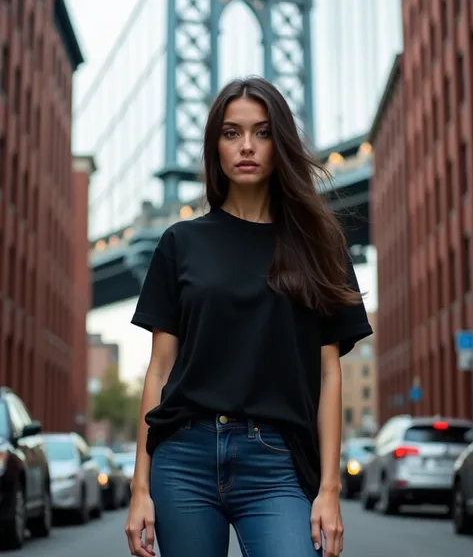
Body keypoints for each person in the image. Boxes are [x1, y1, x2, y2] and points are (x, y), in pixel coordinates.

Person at [125, 76, 372, 557]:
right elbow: (160, 370)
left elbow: (328, 373)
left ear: (280, 144)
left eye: (262, 132)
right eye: (231, 132)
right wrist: (140, 489)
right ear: (214, 145)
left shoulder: (320, 246)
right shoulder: (180, 242)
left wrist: (329, 490)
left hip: (276, 462)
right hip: (183, 459)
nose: (247, 146)